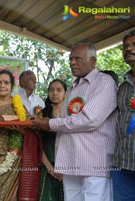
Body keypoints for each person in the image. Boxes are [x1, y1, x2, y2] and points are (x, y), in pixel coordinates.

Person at [31, 42, 117, 201]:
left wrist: (49, 123)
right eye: (71, 59)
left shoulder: (104, 82)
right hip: (71, 162)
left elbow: (89, 119)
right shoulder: (73, 87)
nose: (72, 62)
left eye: (77, 59)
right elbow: (66, 123)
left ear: (93, 61)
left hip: (94, 164)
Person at [0, 69, 42, 201]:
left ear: (11, 86)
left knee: (8, 195)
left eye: (6, 82)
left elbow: (29, 127)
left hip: (11, 155)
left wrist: (20, 130)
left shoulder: (18, 105)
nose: (2, 85)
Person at [112, 29, 135, 201]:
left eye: (133, 45)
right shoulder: (123, 86)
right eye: (125, 46)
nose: (128, 49)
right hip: (123, 164)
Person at [38, 79, 67, 201]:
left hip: (68, 169)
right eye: (51, 90)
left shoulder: (72, 115)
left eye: (59, 90)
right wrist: (50, 169)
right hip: (47, 168)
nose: (54, 93)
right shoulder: (41, 116)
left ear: (65, 93)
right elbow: (37, 144)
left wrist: (63, 169)